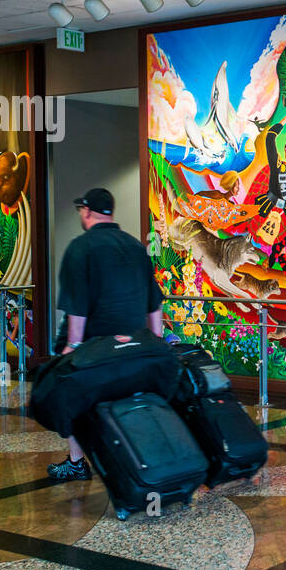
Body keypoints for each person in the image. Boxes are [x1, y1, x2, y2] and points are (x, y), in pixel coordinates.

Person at [48, 188, 165, 482]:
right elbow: (155, 303)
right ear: (110, 213)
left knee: (71, 395)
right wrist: (156, 345)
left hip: (96, 352)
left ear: (87, 212)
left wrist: (72, 348)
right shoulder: (137, 247)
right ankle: (141, 461)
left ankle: (76, 463)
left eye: (81, 211)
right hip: (135, 349)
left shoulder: (80, 248)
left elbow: (77, 307)